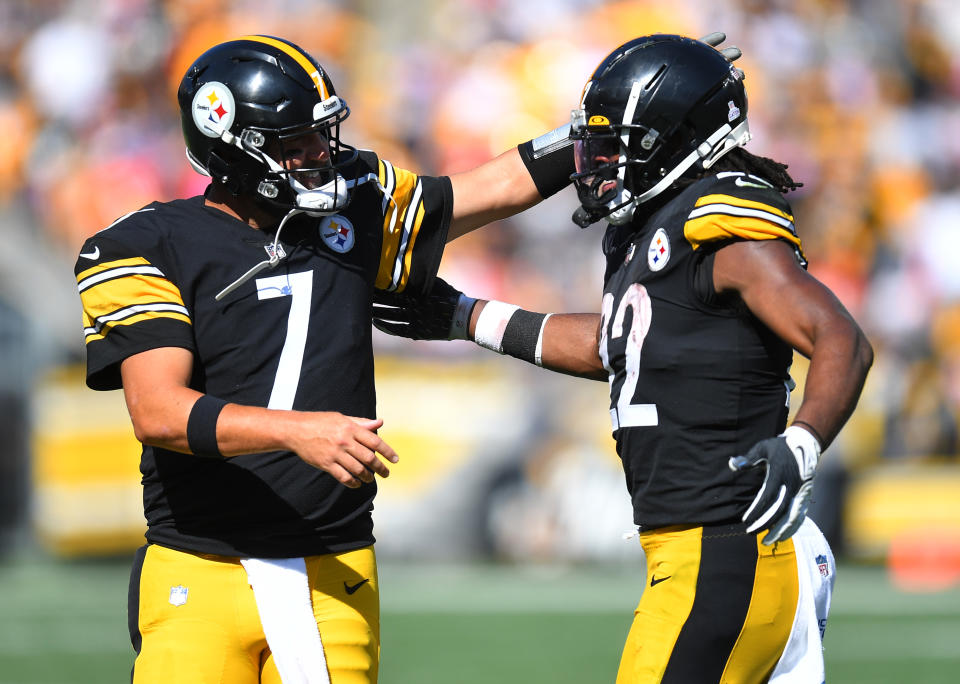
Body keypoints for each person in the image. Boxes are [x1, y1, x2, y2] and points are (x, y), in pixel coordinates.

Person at [74, 34, 579, 684]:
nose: (320, 153)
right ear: (233, 147)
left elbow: (490, 188)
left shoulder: (354, 201)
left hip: (329, 564)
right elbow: (158, 411)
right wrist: (297, 430)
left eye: (320, 134)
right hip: (197, 566)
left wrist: (591, 132)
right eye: (294, 142)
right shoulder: (142, 246)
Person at [372, 34, 874, 683]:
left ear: (682, 142)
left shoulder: (720, 221)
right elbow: (626, 341)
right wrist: (469, 317)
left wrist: (805, 440)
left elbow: (840, 336)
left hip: (725, 549)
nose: (599, 166)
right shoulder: (658, 226)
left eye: (622, 148)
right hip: (704, 552)